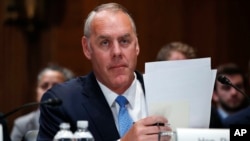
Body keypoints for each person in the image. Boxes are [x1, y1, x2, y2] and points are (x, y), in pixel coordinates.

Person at [38, 3, 171, 141]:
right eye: (105, 43)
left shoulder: (167, 91)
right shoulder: (62, 103)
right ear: (87, 48)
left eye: (124, 41)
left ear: (136, 45)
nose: (117, 52)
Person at [10, 64, 74, 141]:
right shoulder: (22, 124)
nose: (49, 91)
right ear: (36, 91)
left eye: (56, 86)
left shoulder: (76, 120)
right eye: (44, 86)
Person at [209, 63, 249, 128]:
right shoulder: (208, 123)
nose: (234, 93)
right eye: (226, 88)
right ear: (214, 94)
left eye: (238, 86)